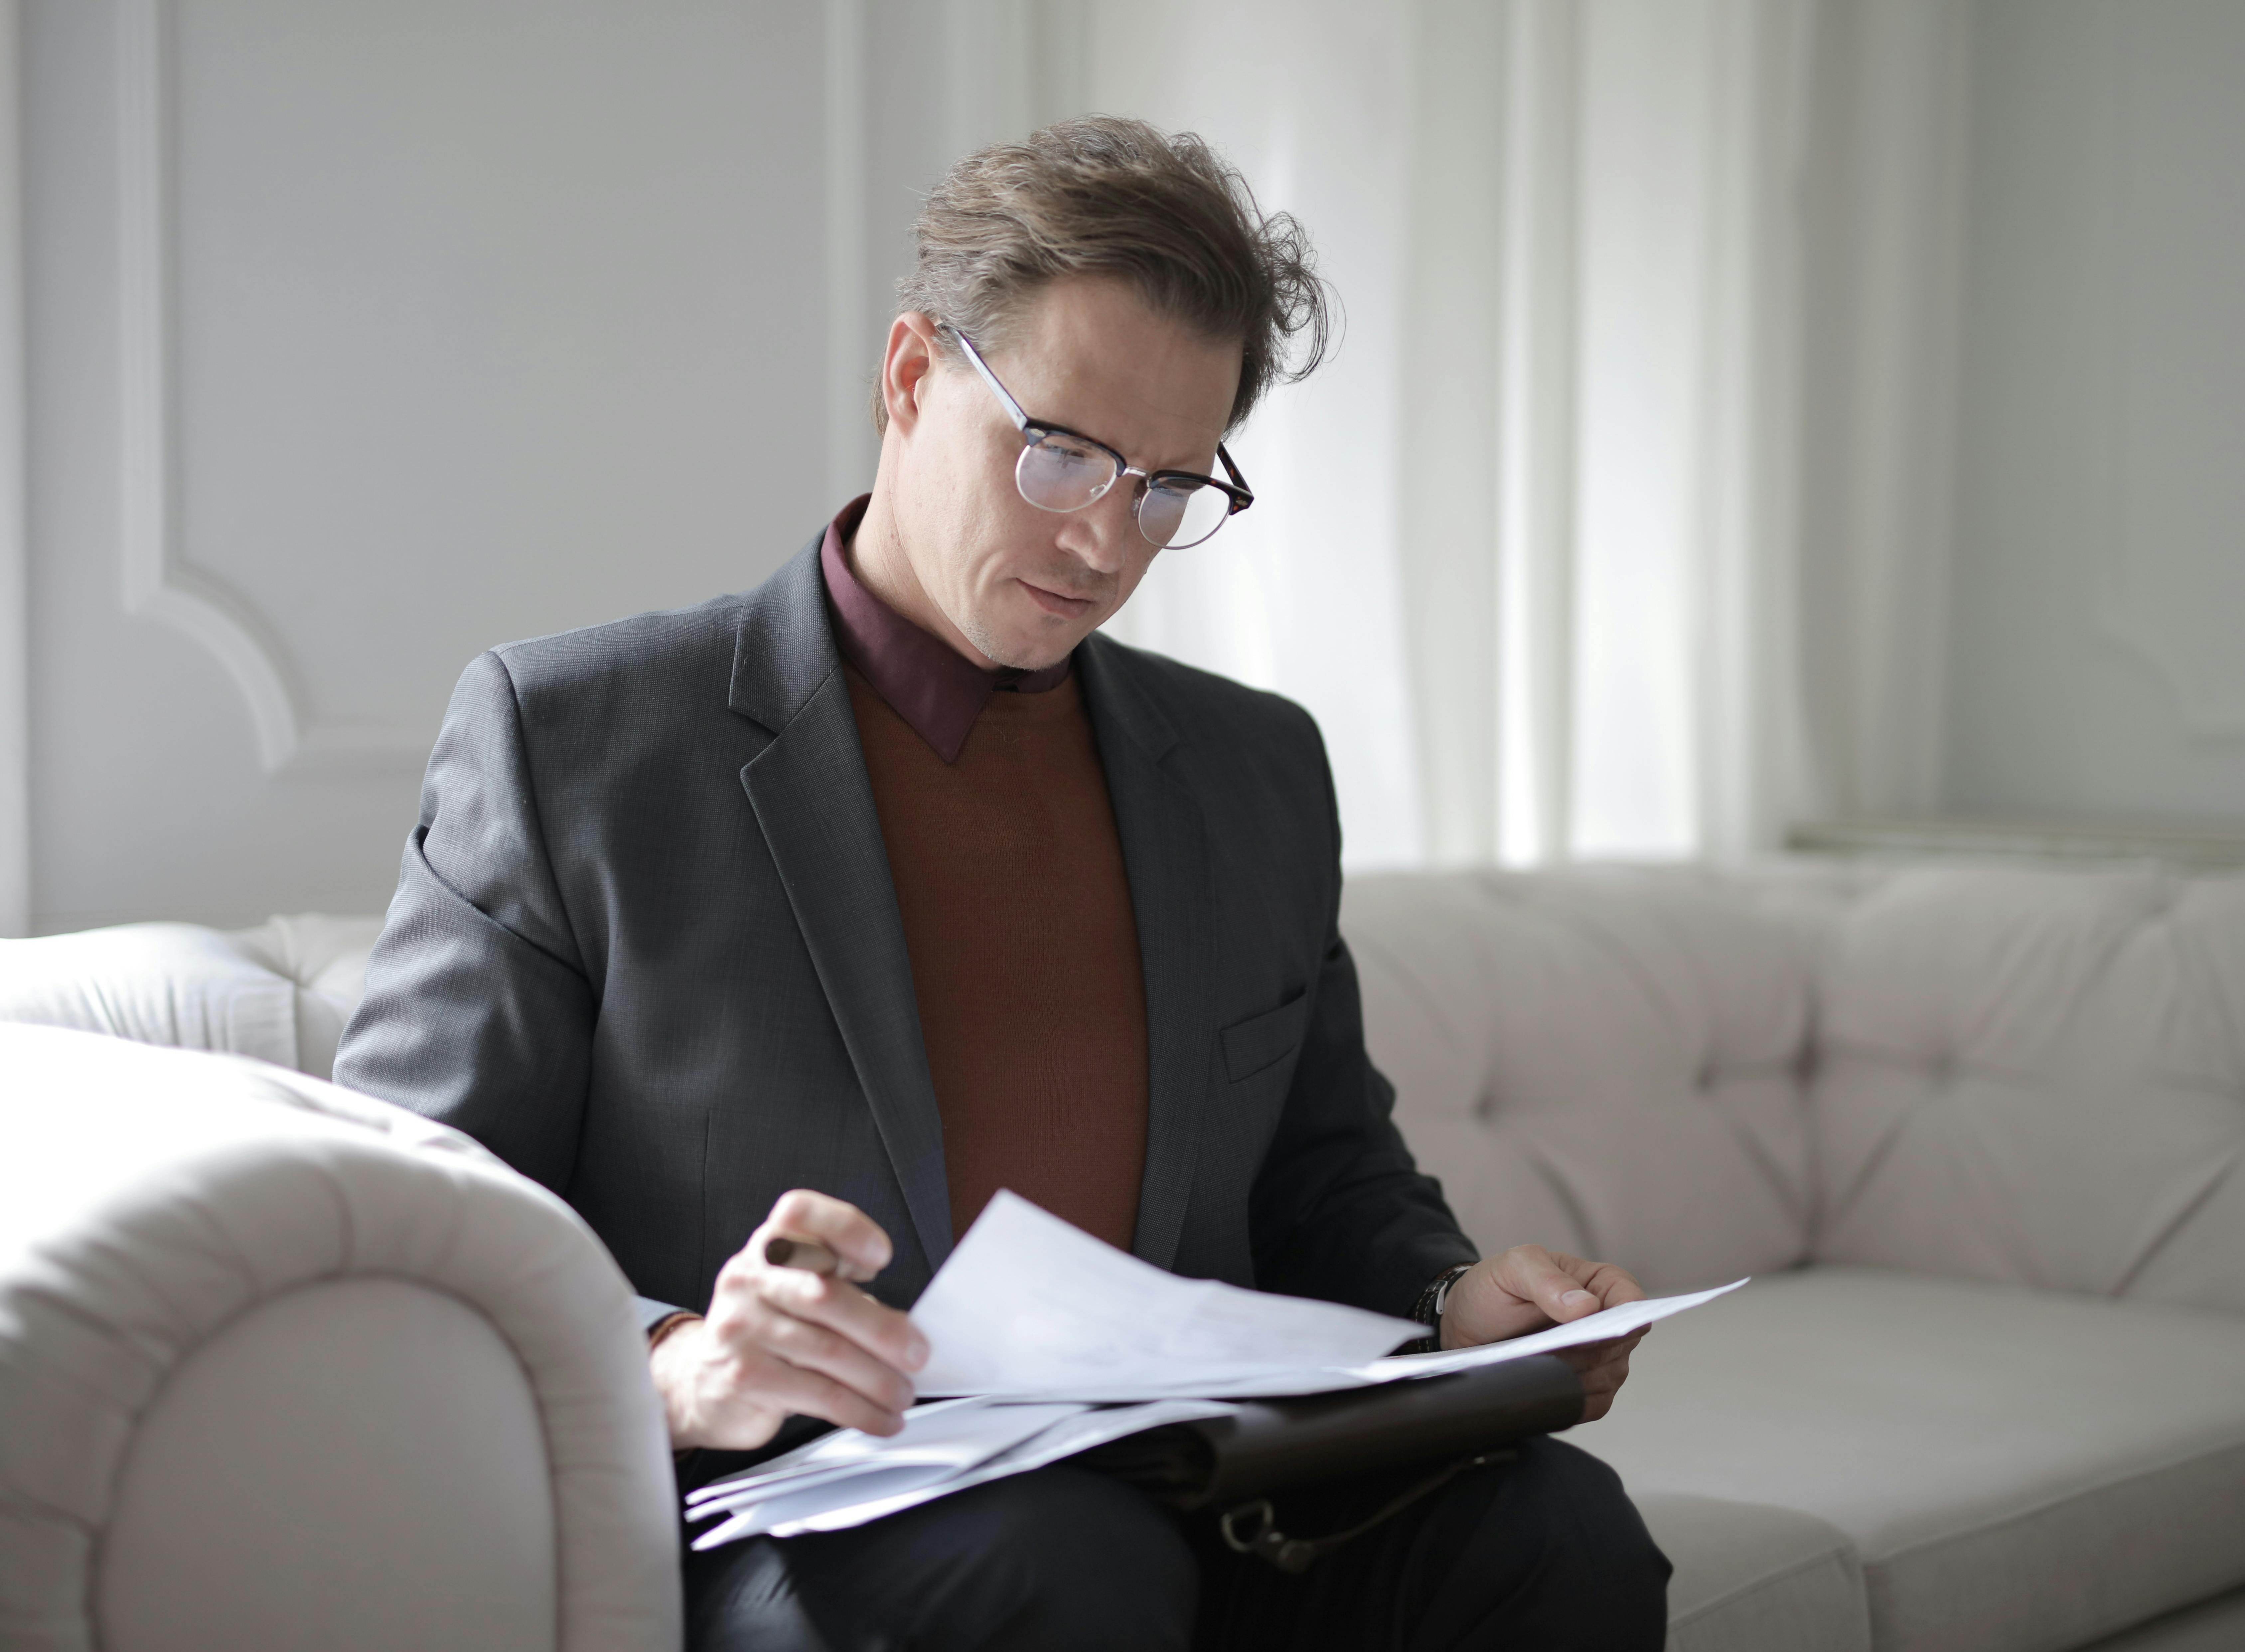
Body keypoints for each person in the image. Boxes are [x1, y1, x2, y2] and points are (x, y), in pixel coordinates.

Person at [336, 115, 1669, 1650]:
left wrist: (1452, 1313)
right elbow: (414, 1237)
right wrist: (684, 1362)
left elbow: (1319, 1176)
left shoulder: (1251, 770)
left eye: (1170, 487)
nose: (1105, 541)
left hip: (1195, 1481)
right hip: (806, 1510)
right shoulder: (575, 744)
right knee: (1054, 1570)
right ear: (911, 378)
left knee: (1553, 1533)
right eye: (1060, 453)